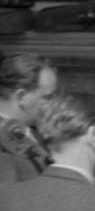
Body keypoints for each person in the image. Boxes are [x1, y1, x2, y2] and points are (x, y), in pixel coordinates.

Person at [0, 53, 57, 183]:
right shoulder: (4, 149)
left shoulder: (33, 131)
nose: (55, 103)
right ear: (21, 97)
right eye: (48, 97)